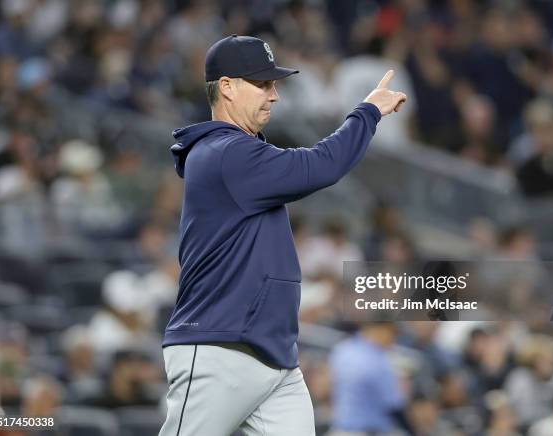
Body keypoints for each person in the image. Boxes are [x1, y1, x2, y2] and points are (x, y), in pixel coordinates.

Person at [158, 34, 406, 436]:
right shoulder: (224, 153)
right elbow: (321, 165)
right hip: (218, 348)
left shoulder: (238, 151)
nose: (274, 95)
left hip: (274, 359)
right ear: (226, 87)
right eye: (262, 84)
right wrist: (367, 112)